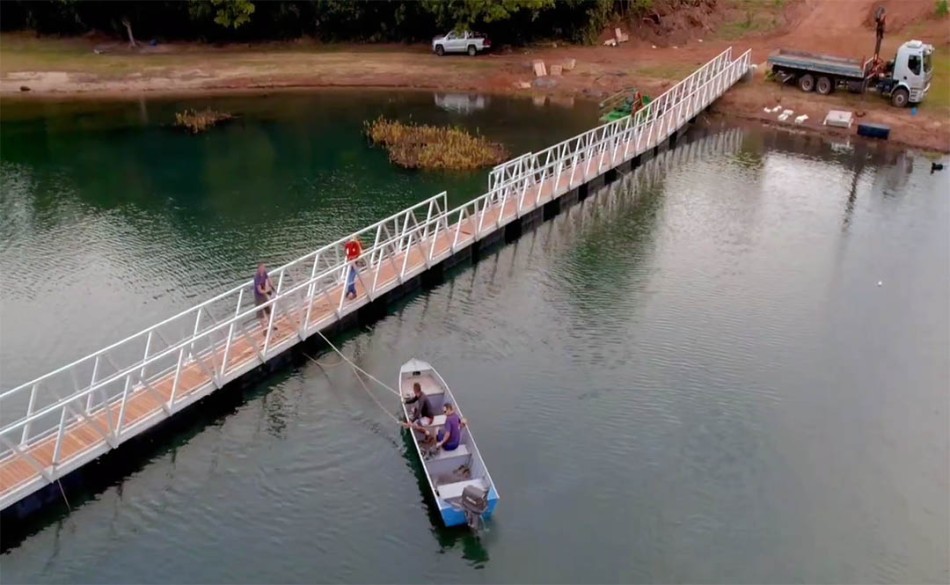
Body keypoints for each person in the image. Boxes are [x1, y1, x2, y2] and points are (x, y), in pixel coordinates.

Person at [253, 264, 276, 332]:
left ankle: (271, 324)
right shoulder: (257, 278)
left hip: (264, 294)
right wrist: (267, 290)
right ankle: (264, 329)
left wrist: (271, 286)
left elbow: (268, 279)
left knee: (268, 309)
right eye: (262, 267)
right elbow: (259, 290)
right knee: (260, 313)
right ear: (259, 269)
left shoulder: (264, 273)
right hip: (258, 296)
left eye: (264, 267)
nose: (264, 269)